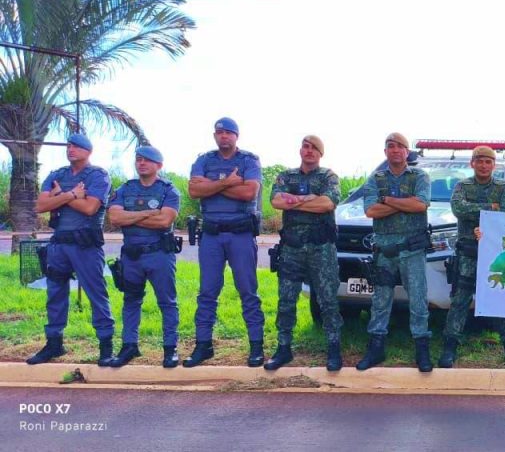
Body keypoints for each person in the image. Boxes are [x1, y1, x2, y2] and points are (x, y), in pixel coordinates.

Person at [28, 134, 115, 366]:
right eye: (68, 146)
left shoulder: (98, 175)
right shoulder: (57, 174)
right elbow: (40, 206)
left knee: (97, 294)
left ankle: (106, 346)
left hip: (85, 244)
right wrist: (72, 194)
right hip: (58, 244)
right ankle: (54, 344)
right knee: (54, 294)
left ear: (89, 151)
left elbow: (89, 208)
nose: (71, 149)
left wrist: (59, 197)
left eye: (77, 146)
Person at [184, 117, 265, 368]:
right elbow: (194, 190)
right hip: (211, 236)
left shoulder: (248, 160)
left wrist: (212, 185)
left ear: (236, 136)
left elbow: (249, 192)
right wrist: (227, 183)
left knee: (248, 291)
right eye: (220, 132)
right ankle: (203, 345)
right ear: (215, 136)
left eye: (229, 132)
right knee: (207, 292)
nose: (224, 136)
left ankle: (256, 346)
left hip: (240, 234)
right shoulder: (204, 160)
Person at [356, 132, 434, 372]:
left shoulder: (419, 176)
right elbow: (371, 211)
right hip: (384, 249)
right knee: (380, 300)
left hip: (412, 248)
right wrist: (403, 203)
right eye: (391, 146)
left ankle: (421, 348)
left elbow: (420, 204)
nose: (396, 150)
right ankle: (376, 348)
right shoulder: (375, 178)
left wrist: (387, 200)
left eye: (400, 146)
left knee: (418, 299)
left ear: (406, 151)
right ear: (386, 151)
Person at [438, 146, 505, 368]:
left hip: (496, 252)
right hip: (468, 251)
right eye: (480, 161)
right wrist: (489, 208)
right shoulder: (462, 186)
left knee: (502, 298)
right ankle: (449, 346)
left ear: (494, 165)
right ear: (472, 163)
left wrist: (480, 212)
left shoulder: (504, 187)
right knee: (460, 300)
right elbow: (458, 209)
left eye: (488, 162)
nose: (484, 165)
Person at [265, 135, 344, 371]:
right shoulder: (286, 176)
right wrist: (307, 199)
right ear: (300, 151)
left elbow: (327, 204)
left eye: (314, 149)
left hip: (321, 248)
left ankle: (333, 348)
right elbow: (276, 201)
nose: (309, 151)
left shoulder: (328, 176)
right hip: (292, 247)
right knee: (286, 299)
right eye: (305, 147)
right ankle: (283, 348)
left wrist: (295, 201)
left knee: (328, 299)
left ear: (320, 154)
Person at [106, 146, 181, 368]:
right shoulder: (125, 189)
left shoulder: (169, 190)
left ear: (159, 165)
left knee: (167, 302)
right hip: (131, 256)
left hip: (159, 254)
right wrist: (148, 212)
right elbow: (114, 218)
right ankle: (129, 345)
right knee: (131, 301)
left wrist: (130, 217)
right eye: (138, 159)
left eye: (147, 160)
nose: (141, 163)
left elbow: (164, 221)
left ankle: (170, 348)